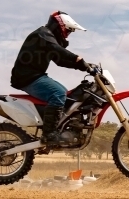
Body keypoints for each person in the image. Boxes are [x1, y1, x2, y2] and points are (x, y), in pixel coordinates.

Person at [10, 11, 90, 147]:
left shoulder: (46, 37)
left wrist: (82, 67)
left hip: (33, 76)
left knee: (64, 93)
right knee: (58, 93)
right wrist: (77, 58)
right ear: (61, 26)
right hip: (27, 77)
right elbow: (57, 49)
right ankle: (49, 134)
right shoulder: (43, 34)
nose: (68, 35)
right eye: (68, 31)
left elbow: (59, 60)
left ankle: (55, 127)